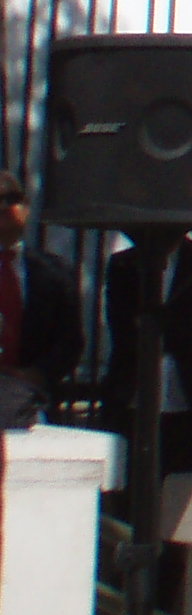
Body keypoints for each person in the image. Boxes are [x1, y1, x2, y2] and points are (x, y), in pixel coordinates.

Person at [99, 231, 192, 474]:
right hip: (135, 392)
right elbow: (122, 327)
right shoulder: (123, 263)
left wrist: (160, 328)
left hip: (190, 393)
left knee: (182, 472)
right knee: (133, 474)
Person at [0, 168, 85, 429]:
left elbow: (70, 340)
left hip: (31, 406)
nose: (4, 207)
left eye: (12, 199)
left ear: (26, 208)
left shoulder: (54, 271)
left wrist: (36, 375)